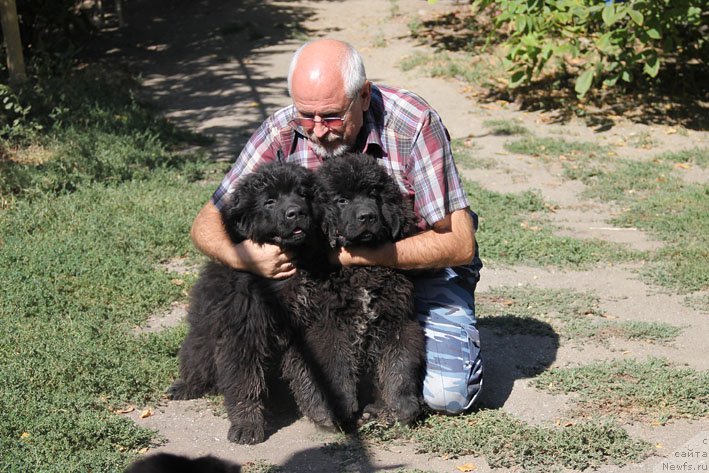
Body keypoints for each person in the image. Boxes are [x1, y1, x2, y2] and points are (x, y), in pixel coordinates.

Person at [191, 38, 483, 415]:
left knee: (448, 395)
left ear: (363, 95)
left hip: (423, 269)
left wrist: (359, 255)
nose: (316, 130)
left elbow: (459, 245)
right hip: (328, 277)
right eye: (305, 115)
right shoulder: (282, 128)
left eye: (331, 117)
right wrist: (242, 255)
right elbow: (207, 220)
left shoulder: (413, 123)